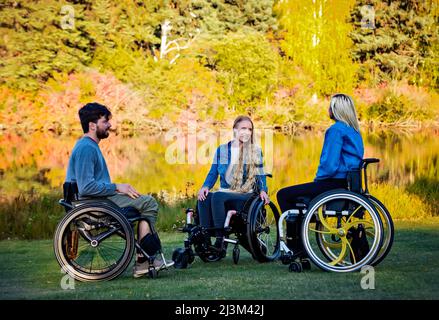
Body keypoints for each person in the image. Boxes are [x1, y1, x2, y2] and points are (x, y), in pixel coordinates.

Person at [65, 102, 173, 278]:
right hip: (94, 204)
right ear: (92, 125)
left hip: (99, 201)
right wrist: (117, 187)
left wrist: (118, 189)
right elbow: (86, 188)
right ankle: (142, 261)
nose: (110, 125)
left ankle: (145, 258)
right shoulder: (86, 148)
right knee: (148, 203)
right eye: (105, 121)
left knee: (143, 202)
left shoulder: (89, 146)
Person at [276, 94, 364, 213]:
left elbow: (329, 165)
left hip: (335, 182)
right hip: (351, 183)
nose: (328, 109)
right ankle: (303, 224)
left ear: (336, 110)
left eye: (330, 107)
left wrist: (318, 180)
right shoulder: (354, 131)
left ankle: (295, 230)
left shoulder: (336, 130)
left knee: (283, 194)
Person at [197, 115, 270, 252]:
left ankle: (220, 240)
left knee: (217, 196)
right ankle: (205, 240)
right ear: (235, 130)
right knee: (204, 198)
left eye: (249, 129)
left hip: (245, 194)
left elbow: (260, 173)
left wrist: (263, 190)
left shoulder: (254, 151)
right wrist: (205, 187)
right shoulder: (222, 150)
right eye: (243, 128)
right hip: (226, 191)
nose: (247, 132)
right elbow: (213, 172)